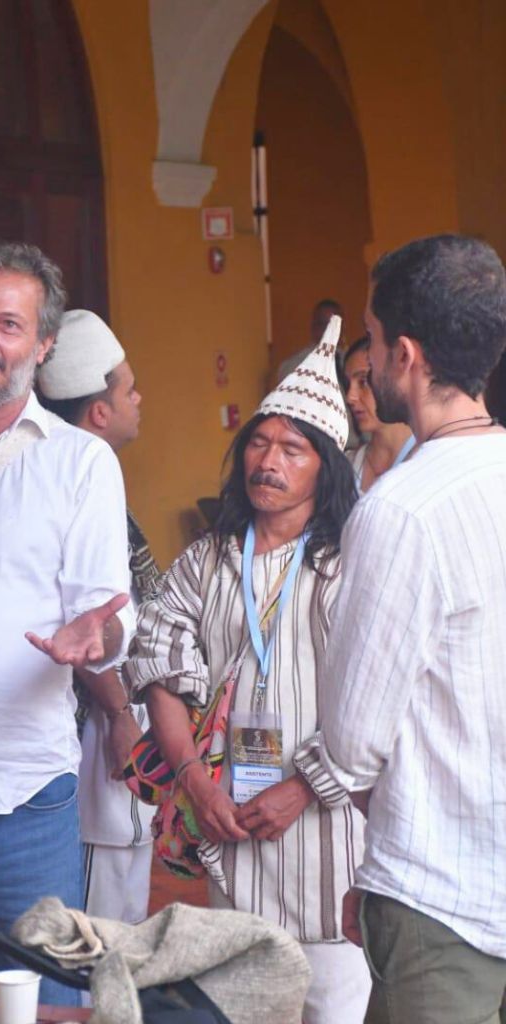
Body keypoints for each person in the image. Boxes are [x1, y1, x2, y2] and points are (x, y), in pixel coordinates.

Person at [125, 317, 371, 1024]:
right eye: (259, 444)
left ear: (325, 468)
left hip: (330, 853)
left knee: (334, 1006)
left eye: (293, 449)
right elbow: (159, 667)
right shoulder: (208, 559)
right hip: (229, 836)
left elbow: (377, 699)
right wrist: (193, 779)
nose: (269, 461)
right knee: (241, 1003)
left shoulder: (350, 563)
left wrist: (304, 786)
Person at [308, 235, 506, 1024]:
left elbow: (351, 741)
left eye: (371, 337)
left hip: (441, 898)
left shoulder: (400, 508)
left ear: (406, 355)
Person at [0, 242, 134, 1005]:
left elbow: (110, 616)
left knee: (48, 1003)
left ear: (44, 345)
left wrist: (96, 638)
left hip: (22, 794)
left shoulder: (78, 463)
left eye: (9, 325)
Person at [38, 309, 159, 924]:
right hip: (95, 728)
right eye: (129, 389)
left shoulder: (89, 474)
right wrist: (119, 715)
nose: (140, 400)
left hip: (114, 719)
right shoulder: (77, 476)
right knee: (98, 921)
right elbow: (82, 616)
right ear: (99, 413)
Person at [343, 335, 414, 492]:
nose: (350, 397)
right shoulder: (347, 467)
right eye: (348, 385)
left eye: (363, 382)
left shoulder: (426, 461)